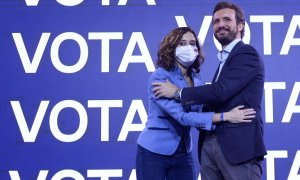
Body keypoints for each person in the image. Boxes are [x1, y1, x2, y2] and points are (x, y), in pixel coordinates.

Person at [152, 2, 267, 180]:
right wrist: (220, 117)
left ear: (241, 25)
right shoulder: (224, 59)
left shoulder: (246, 53)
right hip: (210, 145)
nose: (221, 24)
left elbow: (220, 91)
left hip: (238, 148)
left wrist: (178, 92)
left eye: (227, 19)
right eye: (216, 21)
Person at [136, 27, 256, 180]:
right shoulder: (160, 77)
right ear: (171, 48)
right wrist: (226, 116)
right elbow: (183, 117)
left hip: (183, 151)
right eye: (182, 43)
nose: (189, 47)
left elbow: (200, 115)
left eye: (192, 43)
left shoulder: (196, 78)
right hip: (153, 151)